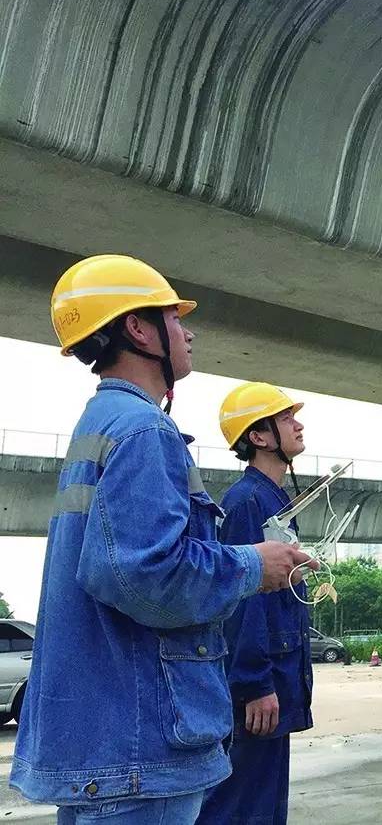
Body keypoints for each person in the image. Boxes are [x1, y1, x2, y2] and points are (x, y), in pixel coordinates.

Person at [9, 255, 318, 823]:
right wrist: (253, 566)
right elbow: (140, 574)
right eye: (175, 318)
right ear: (137, 328)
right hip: (139, 744)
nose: (188, 330)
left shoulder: (102, 423)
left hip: (109, 739)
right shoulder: (145, 431)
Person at [198, 383, 316, 825]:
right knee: (240, 808)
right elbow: (240, 598)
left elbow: (270, 588)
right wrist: (254, 684)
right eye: (286, 418)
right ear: (261, 436)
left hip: (277, 676)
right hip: (260, 688)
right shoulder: (248, 501)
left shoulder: (273, 498)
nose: (298, 424)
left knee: (265, 806)